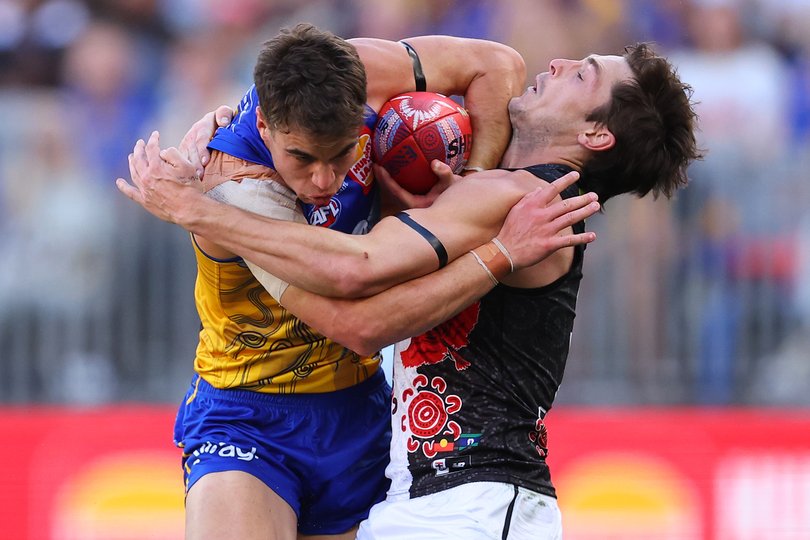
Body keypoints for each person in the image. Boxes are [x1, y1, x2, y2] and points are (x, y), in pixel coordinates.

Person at [119, 40, 700, 539]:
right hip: (428, 492)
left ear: (596, 133)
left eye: (582, 74)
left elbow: (359, 288)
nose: (560, 62)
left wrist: (197, 209)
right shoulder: (498, 187)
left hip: (477, 498)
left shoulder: (522, 197)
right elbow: (495, 65)